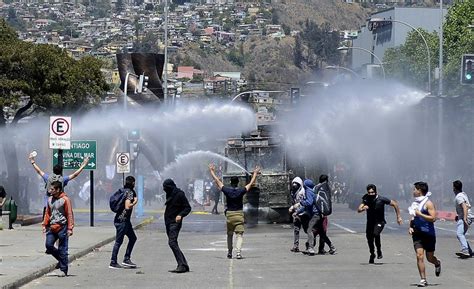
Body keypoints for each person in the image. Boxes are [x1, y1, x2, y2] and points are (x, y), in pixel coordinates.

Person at [209, 164, 260, 259]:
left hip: (229, 215)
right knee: (239, 235)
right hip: (239, 214)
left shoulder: (227, 190)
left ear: (230, 182)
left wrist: (212, 171)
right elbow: (251, 183)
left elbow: (217, 181)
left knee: (229, 234)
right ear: (237, 183)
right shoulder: (241, 191)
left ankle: (229, 252)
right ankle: (238, 253)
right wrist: (255, 173)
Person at [358, 184, 403, 264]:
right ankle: (372, 254)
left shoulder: (381, 199)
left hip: (380, 221)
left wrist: (398, 217)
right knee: (369, 239)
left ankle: (379, 250)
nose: (371, 194)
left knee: (376, 234)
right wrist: (362, 209)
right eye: (369, 192)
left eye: (372, 192)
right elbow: (359, 209)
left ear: (375, 192)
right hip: (370, 223)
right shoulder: (366, 198)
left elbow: (395, 204)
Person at [408, 181, 441, 287]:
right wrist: (410, 227)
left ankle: (437, 263)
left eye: (414, 189)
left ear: (419, 191)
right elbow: (413, 216)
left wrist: (420, 214)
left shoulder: (428, 203)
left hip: (429, 234)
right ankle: (423, 279)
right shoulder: (415, 203)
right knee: (419, 256)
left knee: (429, 258)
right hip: (417, 234)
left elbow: (433, 218)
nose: (413, 191)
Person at [42, 181, 74, 277]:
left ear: (58, 190)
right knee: (48, 245)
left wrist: (70, 228)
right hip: (52, 227)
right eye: (50, 189)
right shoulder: (49, 200)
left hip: (62, 227)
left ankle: (63, 270)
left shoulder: (65, 200)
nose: (50, 191)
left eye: (52, 189)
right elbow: (47, 213)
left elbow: (69, 214)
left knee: (63, 249)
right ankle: (61, 260)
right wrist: (44, 225)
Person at [109, 176, 138, 269]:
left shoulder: (122, 190)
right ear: (133, 183)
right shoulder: (129, 193)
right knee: (118, 241)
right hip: (123, 221)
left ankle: (126, 259)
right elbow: (127, 206)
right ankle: (113, 262)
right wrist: (135, 202)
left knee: (133, 238)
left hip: (121, 219)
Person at [163, 179, 191, 273]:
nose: (164, 189)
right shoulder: (170, 193)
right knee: (174, 243)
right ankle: (183, 264)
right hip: (168, 222)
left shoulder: (179, 194)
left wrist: (180, 215)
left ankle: (181, 265)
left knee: (172, 242)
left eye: (166, 188)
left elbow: (187, 207)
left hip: (175, 222)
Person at [452, 180, 473, 258]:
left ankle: (465, 250)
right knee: (461, 234)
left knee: (459, 234)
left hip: (466, 217)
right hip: (466, 216)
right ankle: (469, 251)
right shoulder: (463, 194)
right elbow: (467, 206)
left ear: (454, 188)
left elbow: (464, 206)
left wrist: (464, 218)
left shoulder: (459, 197)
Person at [288, 177, 308, 252]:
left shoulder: (303, 191)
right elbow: (294, 202)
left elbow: (304, 203)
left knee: (307, 230)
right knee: (296, 230)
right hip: (296, 214)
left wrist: (296, 208)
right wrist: (293, 208)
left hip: (303, 214)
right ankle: (296, 246)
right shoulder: (292, 192)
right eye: (293, 183)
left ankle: (309, 245)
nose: (294, 185)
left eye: (296, 184)